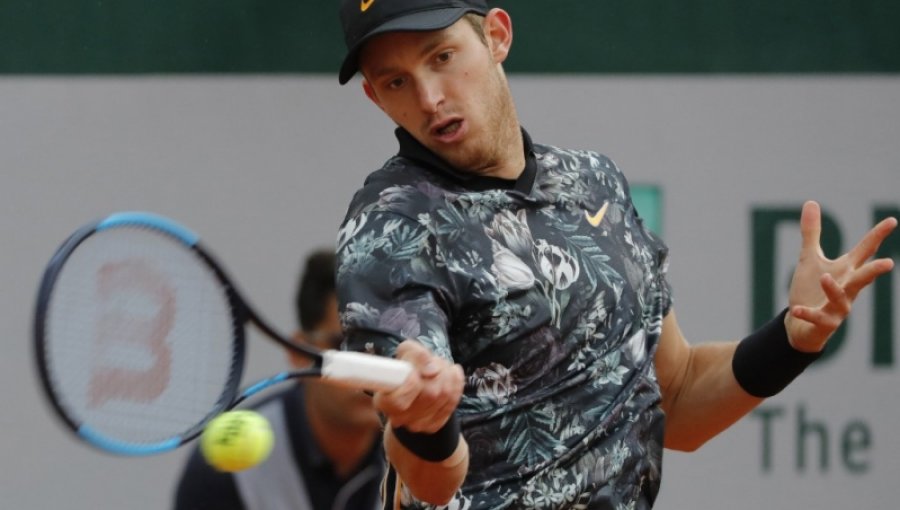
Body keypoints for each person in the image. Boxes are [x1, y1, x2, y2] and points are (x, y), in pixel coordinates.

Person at [332, 1, 898, 509]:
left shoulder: (593, 181)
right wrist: (423, 422)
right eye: (397, 82)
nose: (430, 97)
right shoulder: (390, 229)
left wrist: (794, 339)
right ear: (374, 96)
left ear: (497, 36)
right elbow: (432, 484)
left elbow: (677, 397)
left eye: (443, 56)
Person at [173, 249, 385, 510]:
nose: (371, 368)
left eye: (385, 346)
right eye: (343, 344)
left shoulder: (429, 453)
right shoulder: (225, 475)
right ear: (299, 352)